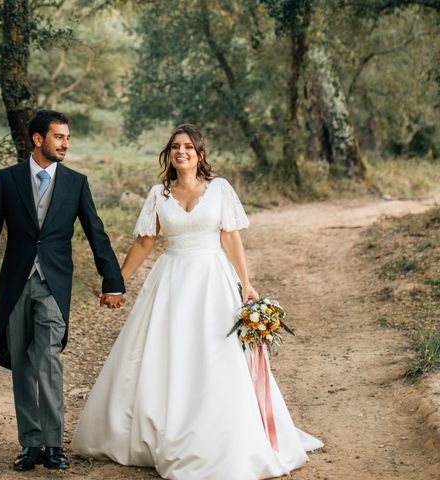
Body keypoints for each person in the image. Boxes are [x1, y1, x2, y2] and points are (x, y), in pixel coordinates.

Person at [71, 124, 323, 479]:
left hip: (213, 280)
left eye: (188, 146)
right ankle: (161, 429)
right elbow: (145, 242)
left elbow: (230, 237)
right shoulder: (159, 194)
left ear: (199, 154)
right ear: (169, 154)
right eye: (175, 146)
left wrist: (246, 284)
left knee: (216, 354)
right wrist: (117, 282)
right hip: (172, 279)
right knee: (168, 354)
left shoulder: (219, 189)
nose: (182, 151)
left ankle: (221, 433)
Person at [0, 110, 125, 472]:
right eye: (59, 137)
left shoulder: (76, 183)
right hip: (16, 282)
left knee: (48, 361)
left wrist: (111, 278)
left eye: (67, 138)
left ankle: (54, 444)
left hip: (54, 284)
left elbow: (96, 232)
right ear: (38, 139)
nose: (65, 144)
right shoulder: (7, 180)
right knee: (21, 363)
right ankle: (30, 444)